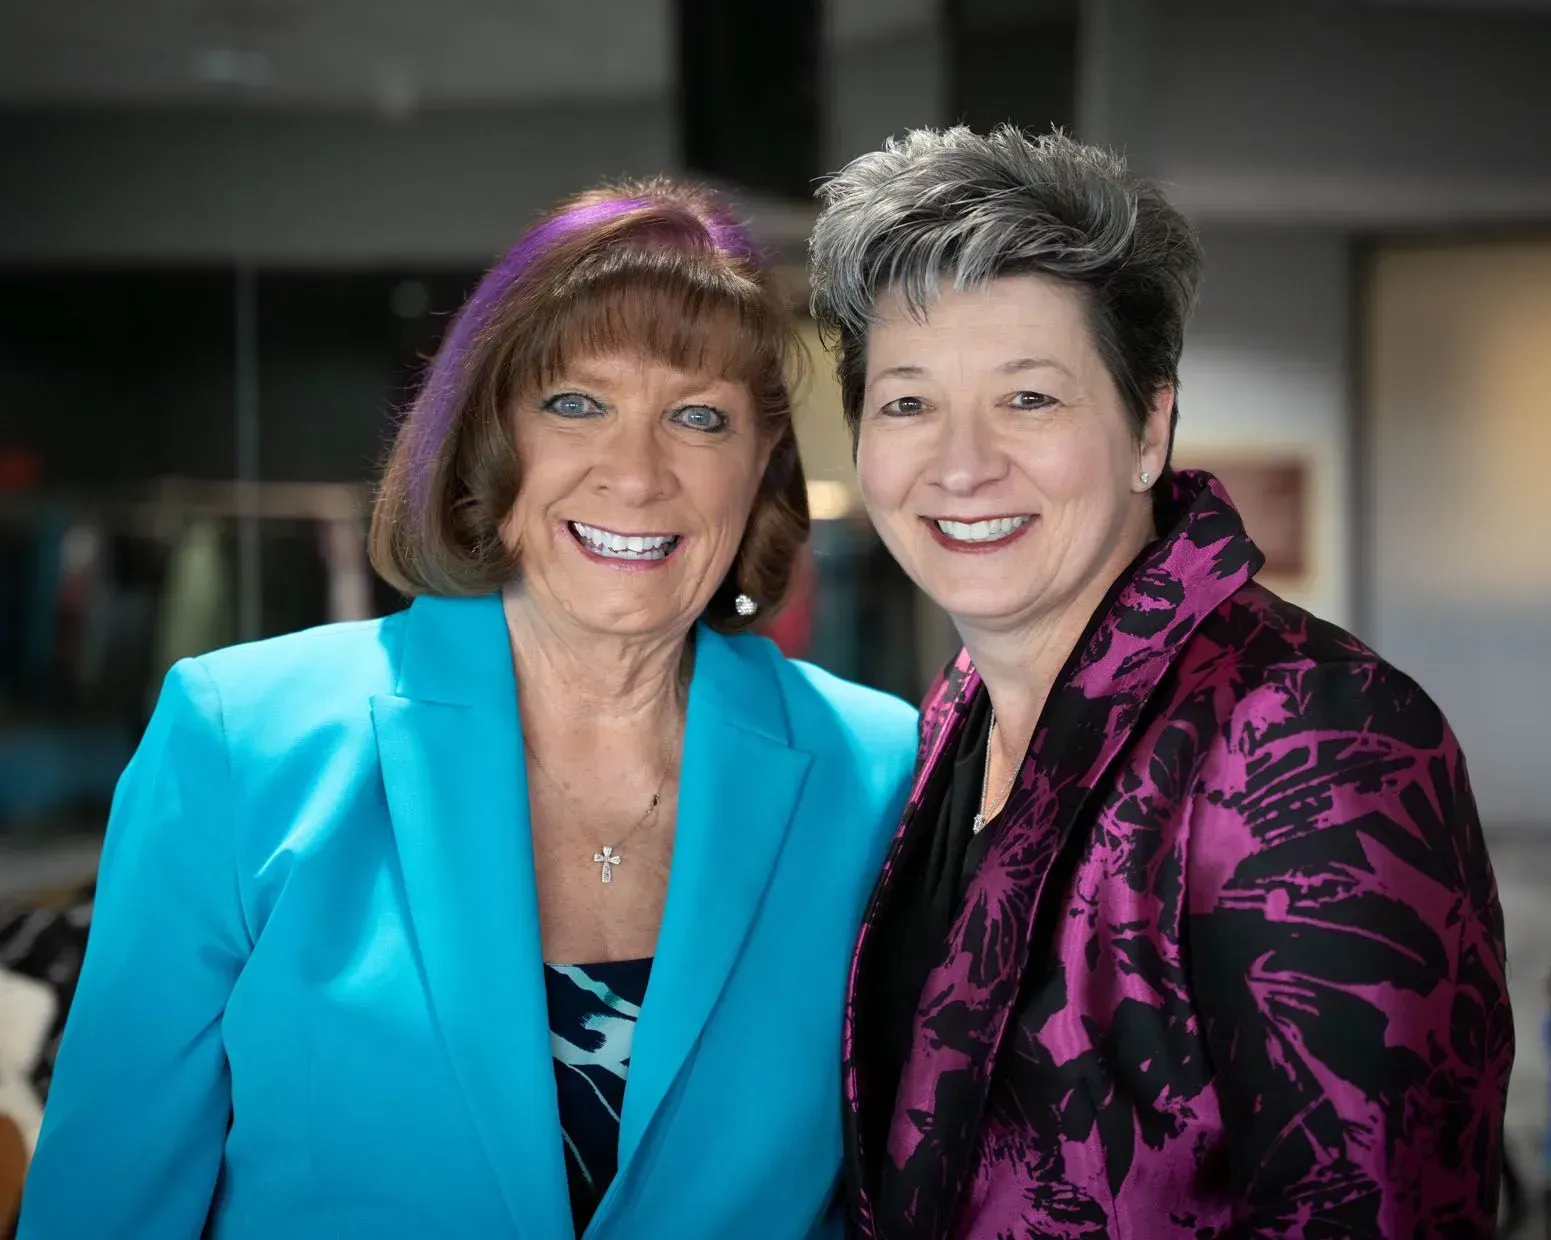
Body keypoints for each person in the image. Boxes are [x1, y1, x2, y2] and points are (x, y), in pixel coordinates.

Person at [18, 179, 918, 1239]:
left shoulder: (880, 769)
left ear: (762, 459)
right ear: (490, 443)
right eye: (575, 403)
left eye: (697, 416)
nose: (635, 473)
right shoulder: (240, 738)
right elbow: (103, 1208)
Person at [808, 126, 1512, 1238]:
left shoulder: (1308, 730)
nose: (960, 462)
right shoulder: (956, 717)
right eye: (906, 403)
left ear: (1150, 427)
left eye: (1029, 398)